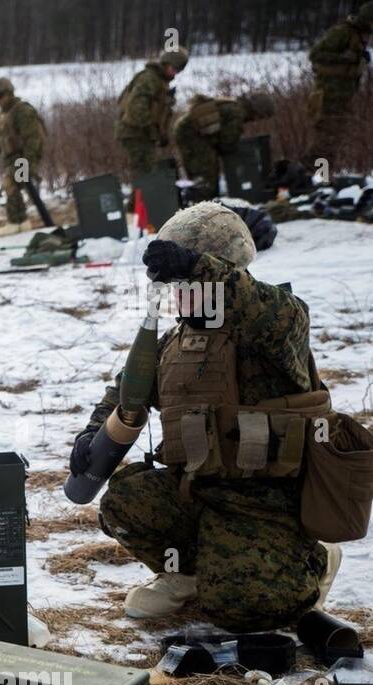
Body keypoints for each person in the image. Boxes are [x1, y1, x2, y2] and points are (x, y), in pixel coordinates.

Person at [69, 203, 341, 632]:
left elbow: (254, 302)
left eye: (189, 283)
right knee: (123, 503)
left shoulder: (279, 323)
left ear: (221, 270)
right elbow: (127, 392)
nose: (181, 296)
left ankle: (312, 560)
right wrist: (91, 435)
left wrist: (197, 265)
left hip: (266, 504)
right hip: (197, 493)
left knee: (243, 610)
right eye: (178, 286)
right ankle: (190, 572)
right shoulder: (178, 342)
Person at [0, 76, 46, 236]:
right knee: (15, 187)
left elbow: (32, 139)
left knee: (10, 184)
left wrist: (28, 164)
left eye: (1, 96)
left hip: (23, 158)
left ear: (10, 93)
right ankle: (22, 223)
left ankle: (17, 222)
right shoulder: (3, 116)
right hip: (12, 159)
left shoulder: (22, 111)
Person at [307, 2, 373, 170]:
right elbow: (315, 54)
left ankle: (322, 177)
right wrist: (347, 59)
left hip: (342, 97)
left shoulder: (360, 35)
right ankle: (316, 176)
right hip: (328, 96)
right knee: (324, 140)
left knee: (333, 139)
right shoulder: (342, 32)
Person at [174, 92, 275, 201]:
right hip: (191, 134)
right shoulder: (237, 113)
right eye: (261, 116)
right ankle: (202, 205)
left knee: (203, 173)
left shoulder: (234, 107)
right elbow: (227, 143)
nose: (257, 119)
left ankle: (202, 201)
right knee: (206, 175)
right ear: (257, 110)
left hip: (189, 132)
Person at [116, 47, 189, 181]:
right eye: (174, 69)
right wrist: (152, 131)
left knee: (146, 175)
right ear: (166, 63)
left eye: (178, 71)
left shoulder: (160, 81)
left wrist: (161, 133)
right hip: (134, 133)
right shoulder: (149, 79)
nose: (175, 73)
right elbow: (137, 109)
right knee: (144, 176)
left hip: (142, 134)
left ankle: (140, 201)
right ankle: (138, 202)